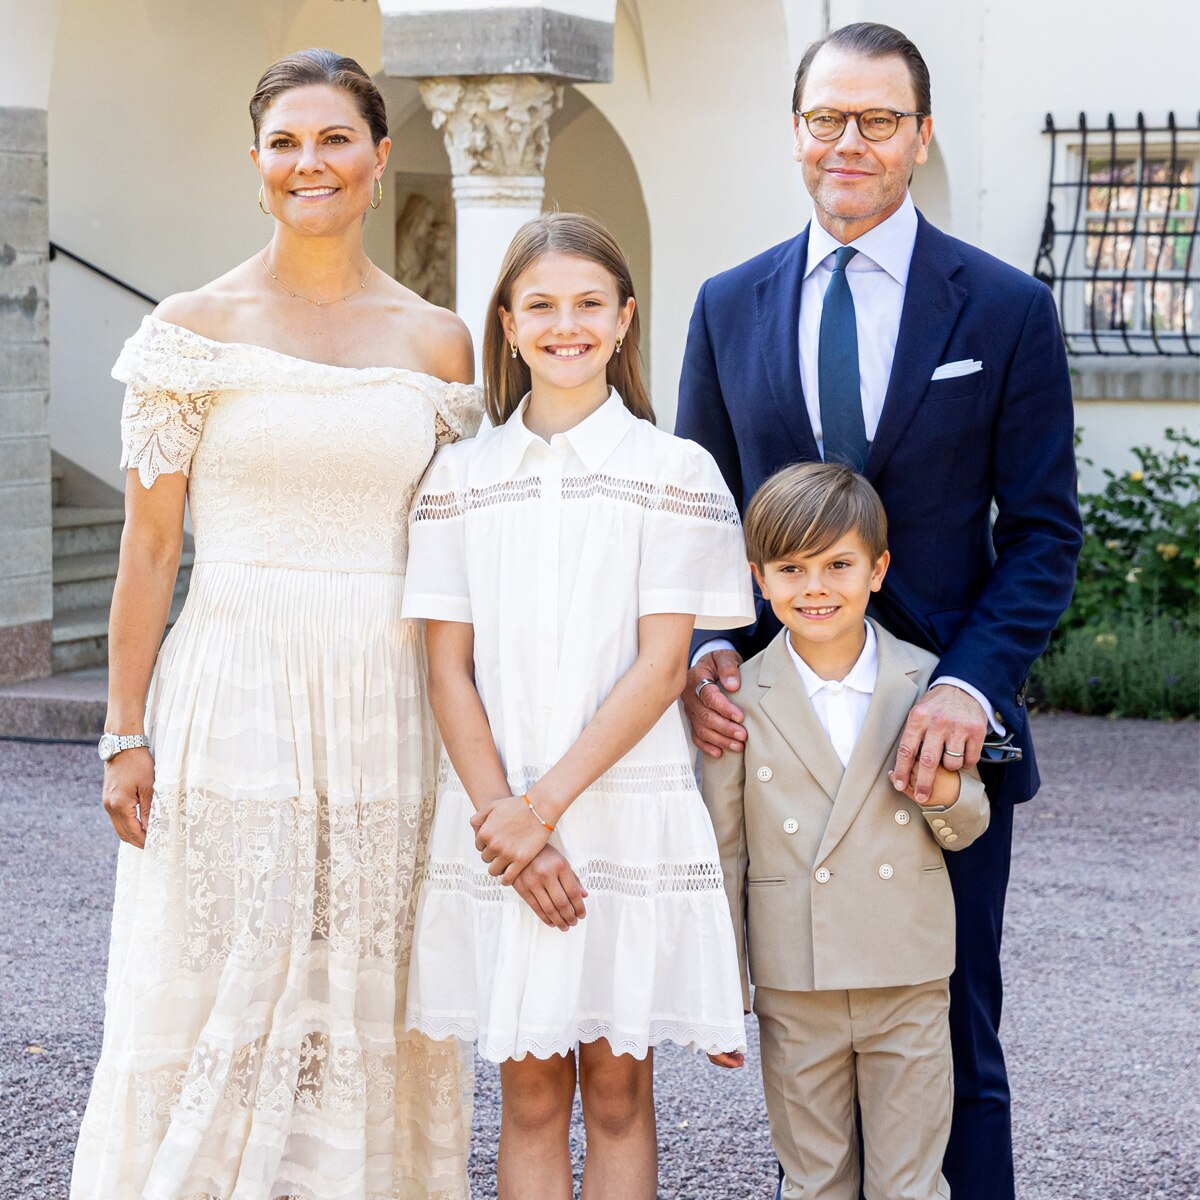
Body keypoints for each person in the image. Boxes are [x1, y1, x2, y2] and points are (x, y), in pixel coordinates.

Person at [676, 21, 1083, 1200]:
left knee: (958, 1045)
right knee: (802, 1042)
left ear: (921, 136)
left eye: (877, 121)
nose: (846, 143)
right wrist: (709, 648)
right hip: (780, 748)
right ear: (796, 131)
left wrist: (967, 684)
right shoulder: (728, 302)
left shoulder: (1003, 309)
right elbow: (709, 523)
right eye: (824, 119)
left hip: (940, 740)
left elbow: (1045, 532)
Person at [72, 49, 480, 1200]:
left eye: (335, 139)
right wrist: (122, 727)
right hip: (234, 682)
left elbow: (457, 559)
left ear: (378, 156)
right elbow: (150, 550)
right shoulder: (191, 329)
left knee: (366, 975)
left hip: (385, 696)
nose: (312, 163)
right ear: (257, 163)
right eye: (287, 143)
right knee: (231, 968)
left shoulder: (437, 342)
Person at [400, 212, 754, 1200]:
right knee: (529, 1101)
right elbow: (446, 673)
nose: (567, 324)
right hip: (498, 823)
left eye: (589, 304)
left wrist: (541, 810)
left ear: (626, 320)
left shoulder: (673, 474)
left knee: (616, 1095)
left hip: (618, 816)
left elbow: (659, 667)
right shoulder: (460, 480)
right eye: (542, 305)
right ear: (506, 326)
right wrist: (505, 823)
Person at [702, 462, 991, 1200]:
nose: (816, 588)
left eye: (838, 565)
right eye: (791, 569)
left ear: (878, 569)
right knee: (813, 1181)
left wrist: (945, 786)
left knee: (912, 1184)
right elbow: (724, 853)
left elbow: (967, 829)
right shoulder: (740, 696)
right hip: (796, 982)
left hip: (907, 976)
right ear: (757, 580)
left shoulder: (929, 684)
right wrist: (720, 992)